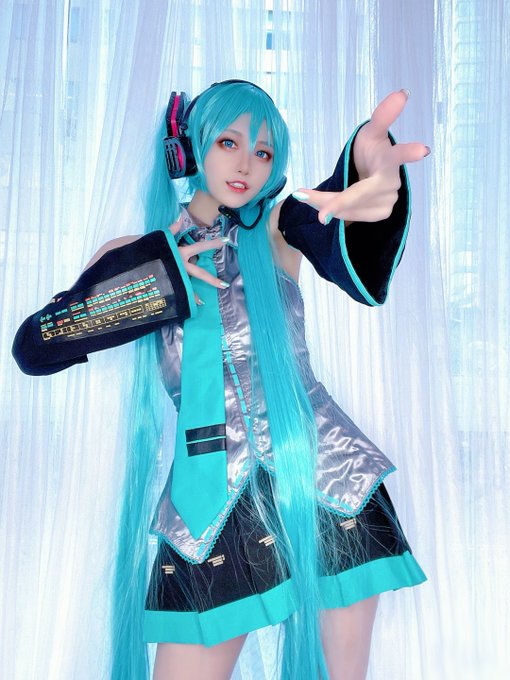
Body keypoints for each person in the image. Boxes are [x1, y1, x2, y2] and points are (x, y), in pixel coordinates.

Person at [12, 80, 429, 680]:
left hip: (328, 479)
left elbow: (339, 230)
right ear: (191, 147)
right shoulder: (137, 254)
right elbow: (37, 347)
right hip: (209, 503)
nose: (245, 164)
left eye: (263, 151)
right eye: (229, 142)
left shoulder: (278, 231)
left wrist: (369, 168)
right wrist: (158, 276)